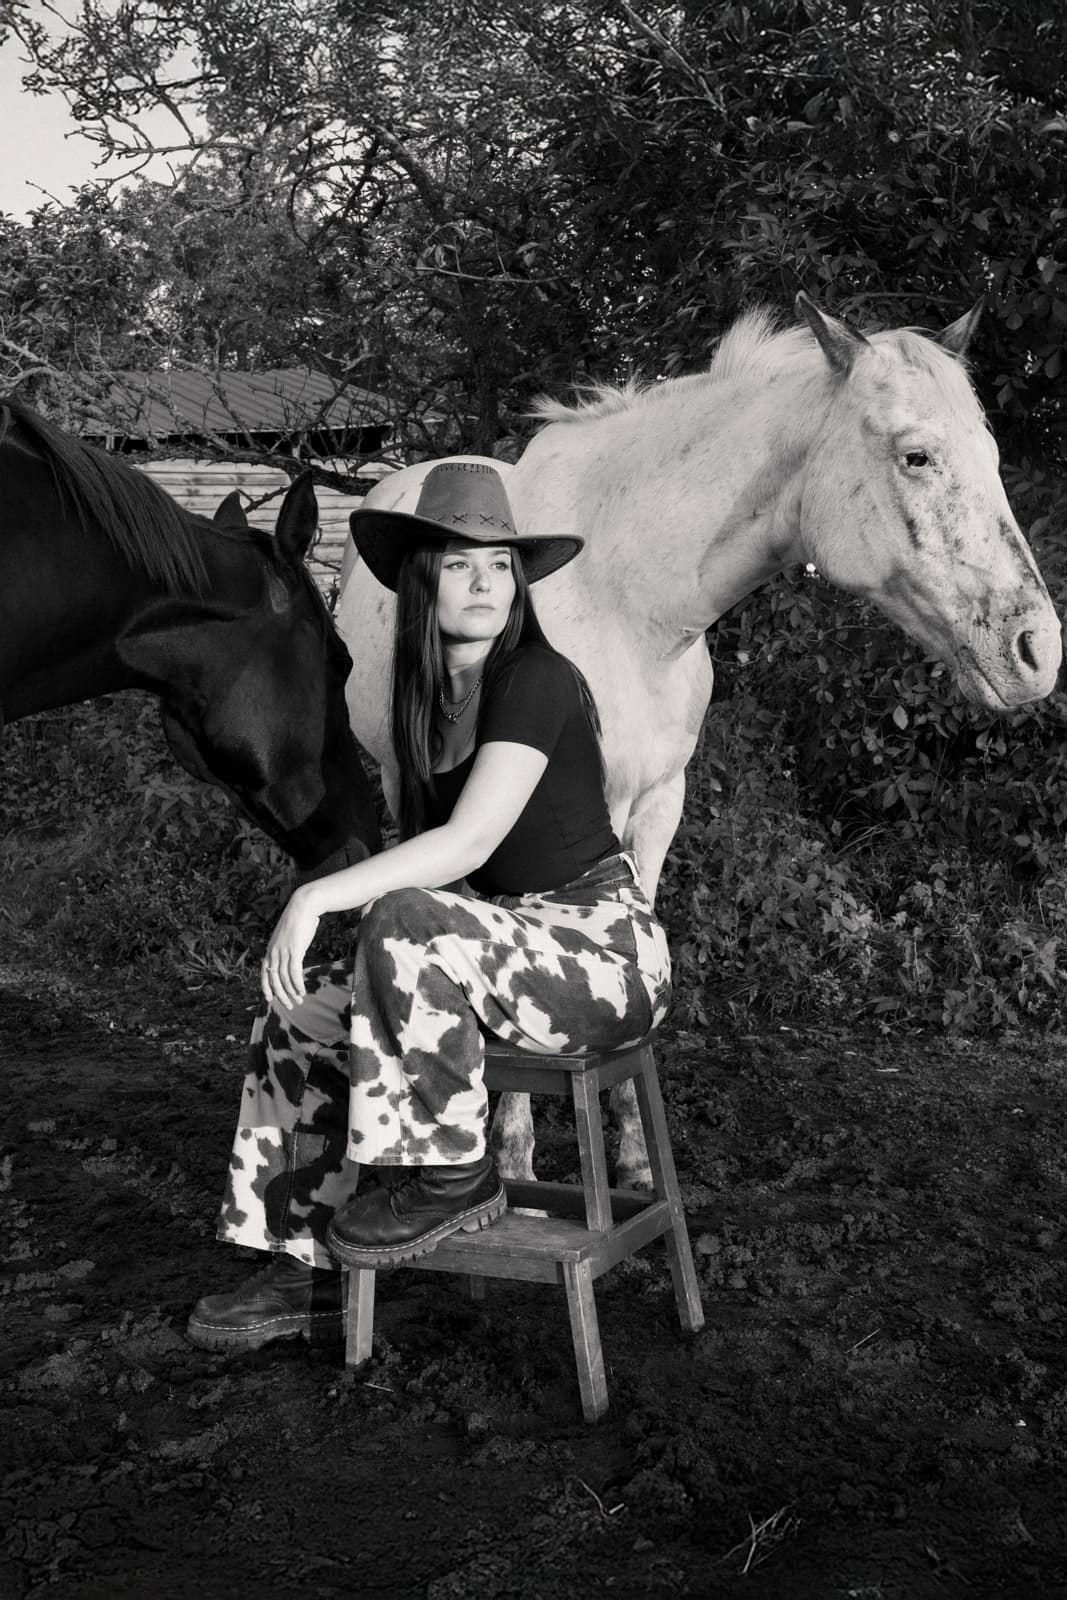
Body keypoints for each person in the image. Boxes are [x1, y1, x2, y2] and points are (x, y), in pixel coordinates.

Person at [186, 462, 672, 1352]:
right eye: (459, 564)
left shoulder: (536, 679)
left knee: (400, 917)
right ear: (421, 580)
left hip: (600, 953)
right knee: (299, 1015)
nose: (484, 583)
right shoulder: (423, 702)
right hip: (498, 951)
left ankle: (454, 1174)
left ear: (519, 583)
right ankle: (302, 1264)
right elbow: (443, 878)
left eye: (499, 565)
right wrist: (356, 980)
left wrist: (313, 898)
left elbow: (468, 846)